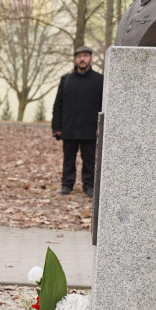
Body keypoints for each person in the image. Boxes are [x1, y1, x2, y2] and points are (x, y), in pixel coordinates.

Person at [51, 45, 103, 197]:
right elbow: (58, 105)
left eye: (85, 56)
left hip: (90, 129)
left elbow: (103, 106)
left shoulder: (99, 80)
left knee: (89, 161)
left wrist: (100, 126)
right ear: (75, 59)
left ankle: (89, 186)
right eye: (79, 56)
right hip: (69, 128)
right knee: (68, 159)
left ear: (91, 59)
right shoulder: (66, 80)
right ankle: (67, 185)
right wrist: (56, 127)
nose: (82, 59)